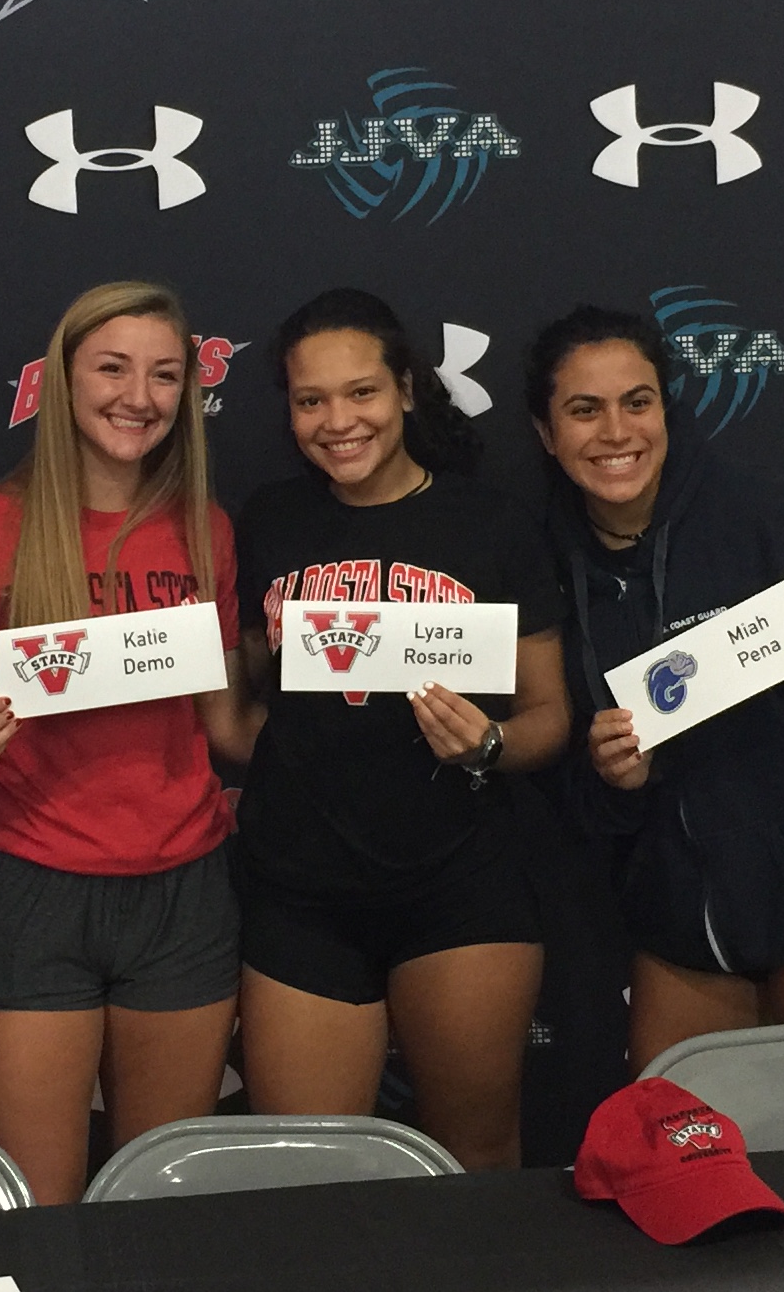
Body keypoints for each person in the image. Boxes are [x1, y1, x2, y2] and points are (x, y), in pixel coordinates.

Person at [529, 305, 784, 1065]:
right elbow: (571, 795)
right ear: (546, 434)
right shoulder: (545, 566)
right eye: (584, 411)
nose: (616, 432)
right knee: (680, 1142)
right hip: (684, 928)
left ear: (666, 409)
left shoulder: (764, 513)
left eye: (637, 402)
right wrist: (615, 778)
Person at [0, 282, 241, 1204]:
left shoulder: (207, 530)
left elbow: (229, 729)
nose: (139, 396)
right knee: (35, 1210)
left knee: (158, 1202)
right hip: (31, 890)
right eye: (113, 369)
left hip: (184, 889)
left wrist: (319, 676)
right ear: (60, 380)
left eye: (164, 375)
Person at [222, 291, 571, 1169]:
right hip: (302, 893)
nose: (338, 421)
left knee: (475, 1159)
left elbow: (549, 716)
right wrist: (288, 755)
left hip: (462, 886)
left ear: (407, 390)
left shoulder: (492, 524)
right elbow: (246, 698)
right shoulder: (268, 522)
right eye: (311, 400)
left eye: (362, 392)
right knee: (309, 1173)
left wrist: (488, 745)